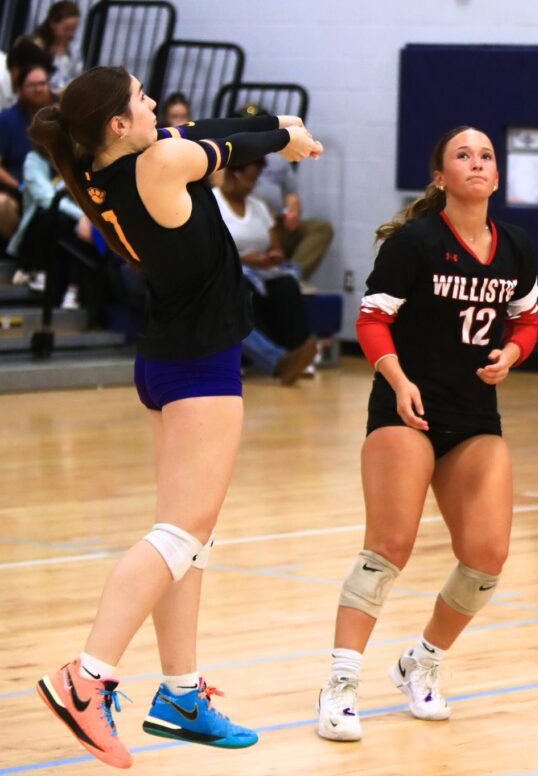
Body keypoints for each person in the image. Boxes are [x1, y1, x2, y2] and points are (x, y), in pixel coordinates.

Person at [30, 65, 322, 768]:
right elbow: (226, 142)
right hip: (197, 364)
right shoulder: (157, 161)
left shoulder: (113, 169)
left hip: (166, 357)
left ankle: (181, 696)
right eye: (139, 97)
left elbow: (206, 134)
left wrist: (275, 135)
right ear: (117, 125)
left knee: (185, 536)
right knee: (182, 531)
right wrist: (283, 133)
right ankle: (88, 676)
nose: (153, 102)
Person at [316, 126, 538, 742]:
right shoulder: (415, 243)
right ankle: (340, 682)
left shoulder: (516, 247)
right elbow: (370, 321)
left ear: (496, 177)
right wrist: (397, 378)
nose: (477, 162)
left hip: (474, 417)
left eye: (486, 155)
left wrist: (514, 354)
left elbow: (528, 319)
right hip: (406, 408)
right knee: (389, 544)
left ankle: (423, 661)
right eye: (463, 154)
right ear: (440, 176)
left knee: (486, 556)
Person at [213, 161, 315, 358]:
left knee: (286, 284)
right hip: (229, 268)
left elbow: (275, 247)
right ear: (235, 175)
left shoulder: (259, 207)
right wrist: (244, 259)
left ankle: (297, 351)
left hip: (262, 269)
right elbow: (211, 248)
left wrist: (274, 256)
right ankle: (253, 357)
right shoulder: (214, 202)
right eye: (251, 180)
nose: (254, 186)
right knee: (243, 286)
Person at [7, 146, 104, 316]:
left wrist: (86, 219)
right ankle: (34, 269)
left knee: (80, 229)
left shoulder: (74, 161)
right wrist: (83, 216)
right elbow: (46, 199)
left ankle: (73, 289)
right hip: (36, 229)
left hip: (69, 228)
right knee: (53, 215)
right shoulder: (34, 160)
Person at [239, 107, 332, 282]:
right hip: (249, 223)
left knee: (320, 228)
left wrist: (293, 209)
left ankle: (292, 277)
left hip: (278, 224)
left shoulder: (279, 157)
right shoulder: (234, 156)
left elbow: (291, 193)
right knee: (261, 203)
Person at [0, 64, 53, 244]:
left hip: (53, 189)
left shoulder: (56, 118)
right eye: (32, 85)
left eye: (43, 84)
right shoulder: (7, 119)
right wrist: (20, 187)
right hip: (17, 192)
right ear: (20, 89)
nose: (38, 89)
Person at [33, 0, 83, 92]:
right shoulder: (38, 45)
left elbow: (77, 75)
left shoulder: (73, 48)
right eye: (66, 28)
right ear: (53, 24)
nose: (70, 33)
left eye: (74, 29)